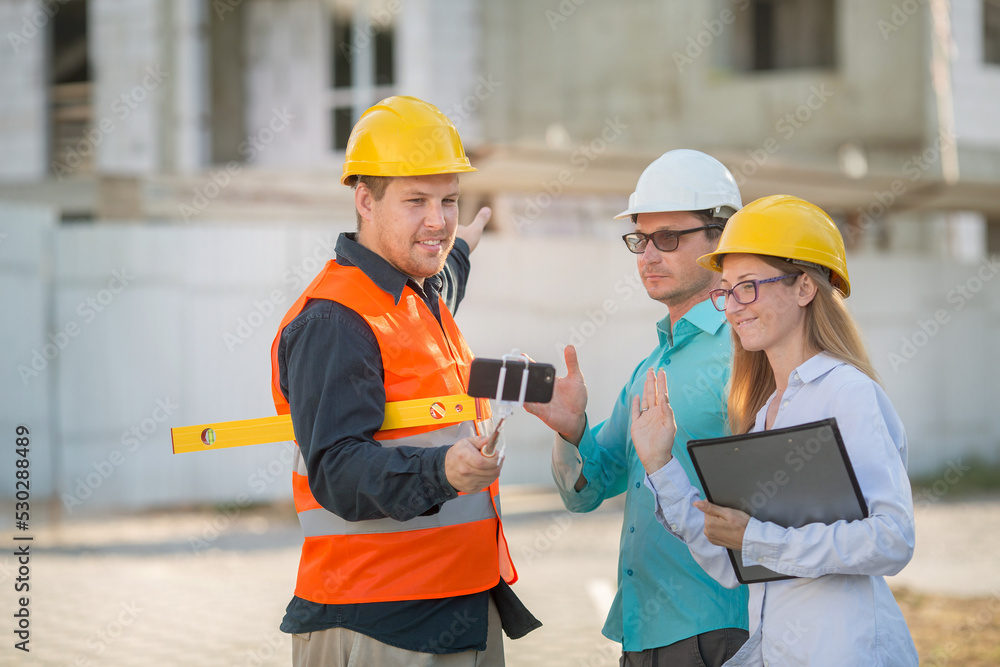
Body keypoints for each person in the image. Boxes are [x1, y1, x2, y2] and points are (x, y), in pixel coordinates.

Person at [269, 96, 539, 667]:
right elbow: (338, 472)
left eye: (448, 200)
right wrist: (444, 471)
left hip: (455, 607)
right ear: (364, 200)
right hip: (380, 623)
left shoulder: (420, 291)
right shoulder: (335, 322)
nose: (437, 220)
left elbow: (444, 268)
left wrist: (463, 246)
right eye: (416, 201)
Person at [632, 194, 918, 665]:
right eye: (725, 290)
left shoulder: (847, 392)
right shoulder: (766, 412)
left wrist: (758, 539)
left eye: (748, 286)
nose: (732, 306)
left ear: (804, 288)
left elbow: (892, 539)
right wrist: (660, 464)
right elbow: (735, 564)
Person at [526, 150, 750, 666]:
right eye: (640, 239)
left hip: (719, 631)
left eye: (668, 238)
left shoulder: (749, 352)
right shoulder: (651, 366)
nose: (648, 255)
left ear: (723, 238)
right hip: (642, 630)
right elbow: (588, 492)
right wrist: (570, 430)